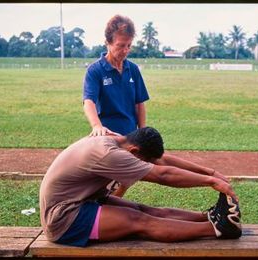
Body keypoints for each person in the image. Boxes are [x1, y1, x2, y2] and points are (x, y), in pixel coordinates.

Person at [39, 127, 242, 247]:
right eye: (145, 161)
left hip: (83, 201)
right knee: (139, 221)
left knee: (143, 209)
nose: (145, 165)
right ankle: (219, 228)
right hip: (64, 220)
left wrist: (210, 173)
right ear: (135, 151)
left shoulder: (119, 141)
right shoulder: (109, 154)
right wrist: (211, 182)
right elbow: (162, 174)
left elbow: (162, 161)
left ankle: (208, 218)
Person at [83, 15, 148, 137]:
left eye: (128, 45)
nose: (125, 50)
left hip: (131, 135)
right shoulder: (95, 70)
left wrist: (142, 132)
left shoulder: (133, 69)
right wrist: (97, 126)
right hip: (107, 136)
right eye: (121, 45)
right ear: (108, 43)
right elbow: (88, 101)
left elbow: (139, 104)